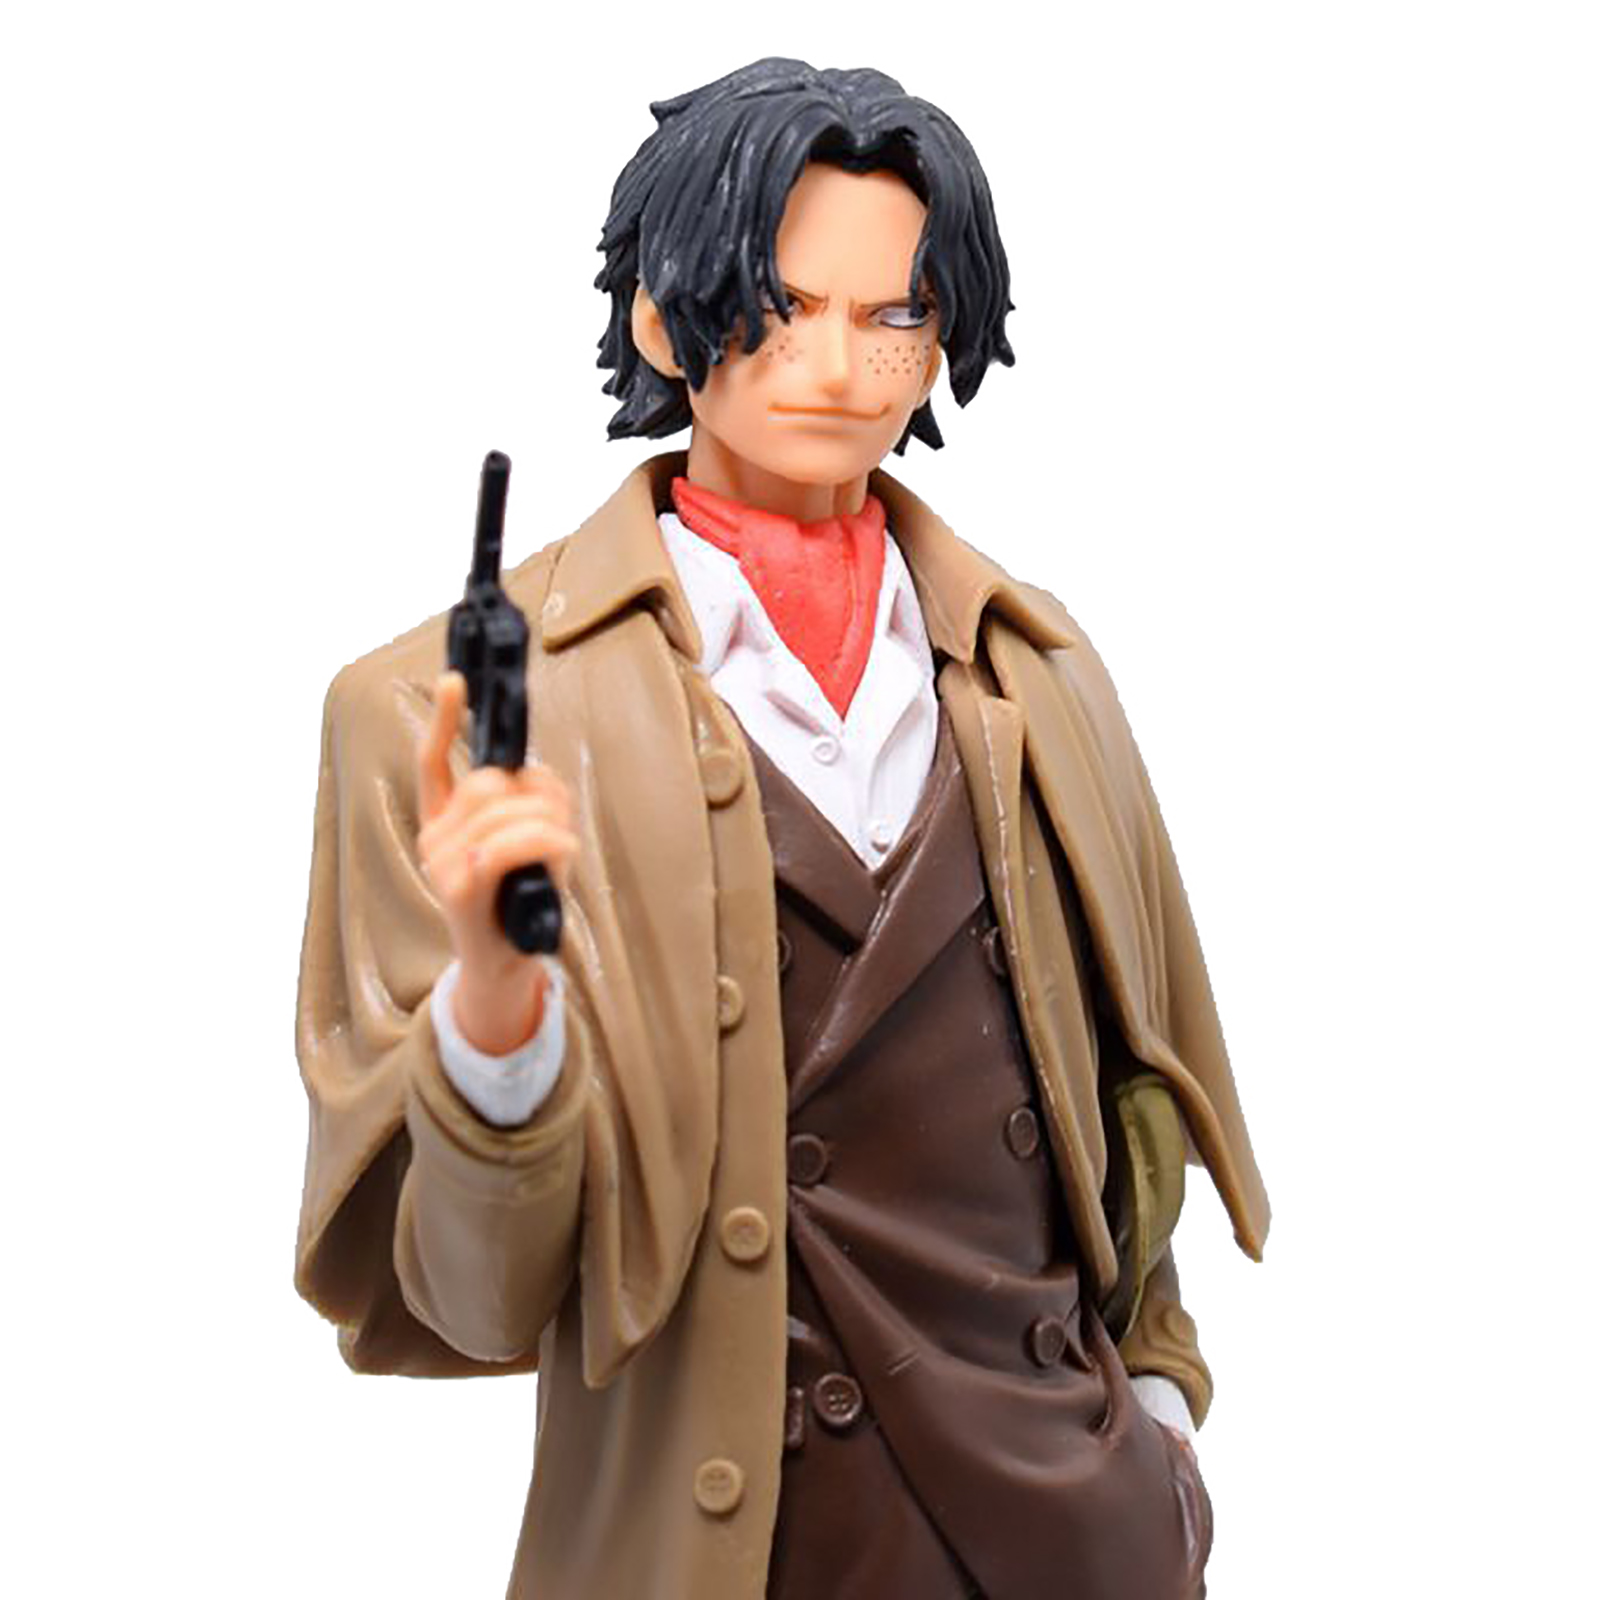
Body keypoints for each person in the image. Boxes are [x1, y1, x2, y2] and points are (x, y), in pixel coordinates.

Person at [295, 57, 1268, 1600]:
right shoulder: (449, 712)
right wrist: (495, 1014)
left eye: (895, 312)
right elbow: (478, 1299)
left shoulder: (1035, 671)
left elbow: (1123, 1100)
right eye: (781, 305)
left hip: (1067, 1529)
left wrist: (1158, 1416)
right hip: (736, 1538)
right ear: (664, 322)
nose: (839, 365)